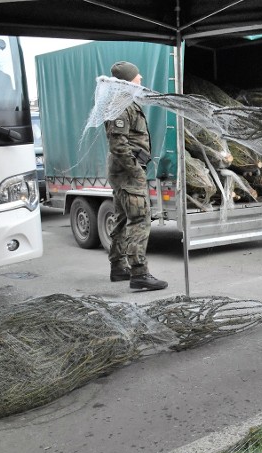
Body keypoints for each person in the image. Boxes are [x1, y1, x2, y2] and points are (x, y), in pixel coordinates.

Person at [105, 61, 168, 291]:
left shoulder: (125, 103)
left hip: (122, 174)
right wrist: (136, 170)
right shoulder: (122, 105)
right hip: (128, 175)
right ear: (127, 80)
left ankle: (119, 267)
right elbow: (117, 144)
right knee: (139, 220)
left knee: (123, 219)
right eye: (136, 75)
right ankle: (139, 273)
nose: (140, 77)